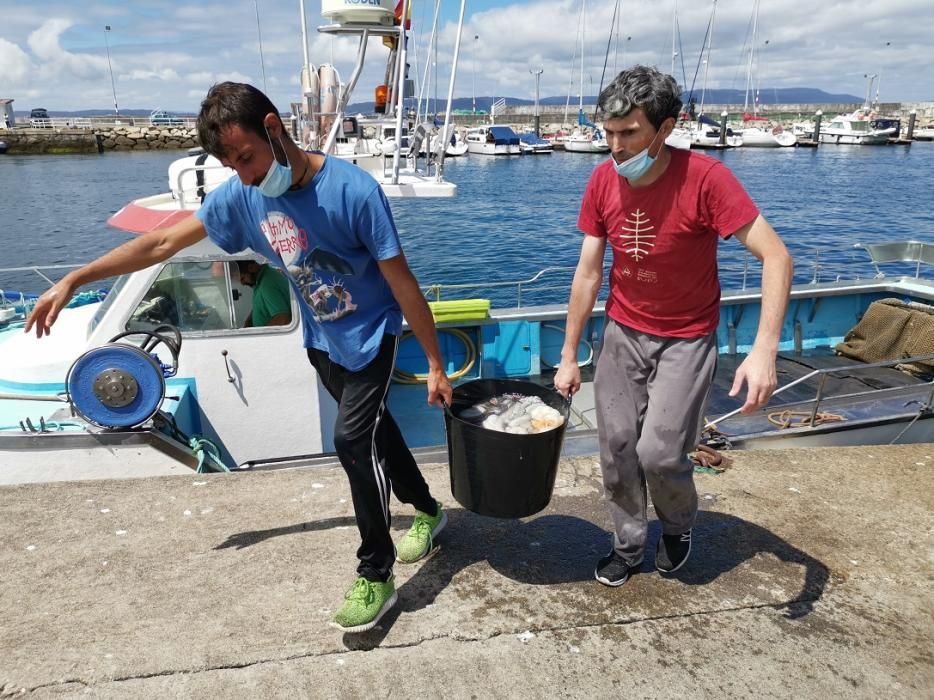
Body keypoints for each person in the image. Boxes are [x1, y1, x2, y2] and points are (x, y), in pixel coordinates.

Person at [25, 82, 454, 634]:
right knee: (377, 433)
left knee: (352, 440)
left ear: (274, 128)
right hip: (322, 342)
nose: (246, 175)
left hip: (371, 335)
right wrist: (76, 277)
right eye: (232, 164)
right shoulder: (241, 195)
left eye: (247, 157)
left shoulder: (354, 192)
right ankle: (428, 510)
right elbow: (160, 245)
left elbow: (403, 283)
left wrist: (437, 365)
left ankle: (376, 572)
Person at [554, 66, 793, 588]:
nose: (615, 148)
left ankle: (679, 525)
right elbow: (589, 271)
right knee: (617, 448)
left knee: (659, 453)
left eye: (629, 133)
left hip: (686, 336)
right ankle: (628, 543)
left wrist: (764, 350)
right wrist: (571, 353)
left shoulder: (707, 179)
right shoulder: (602, 179)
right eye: (608, 133)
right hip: (622, 330)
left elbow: (776, 256)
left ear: (665, 129)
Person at [235, 259, 291, 327]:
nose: (242, 283)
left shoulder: (267, 285)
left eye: (243, 278)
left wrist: (261, 337)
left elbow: (283, 319)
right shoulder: (263, 278)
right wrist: (248, 323)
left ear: (251, 268)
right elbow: (263, 306)